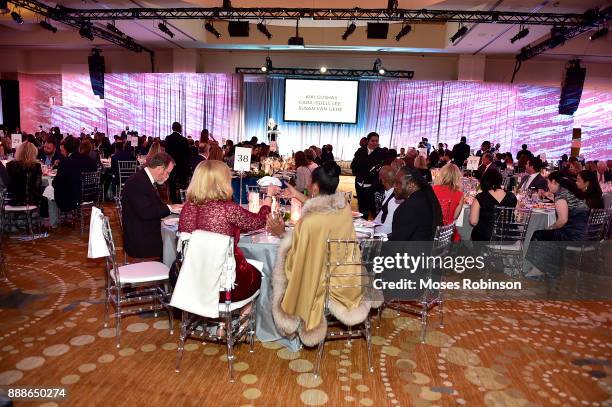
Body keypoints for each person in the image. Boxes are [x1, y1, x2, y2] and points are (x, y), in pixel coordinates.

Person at [268, 161, 375, 346]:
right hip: (350, 278)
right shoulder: (344, 209)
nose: (308, 186)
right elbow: (322, 211)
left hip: (327, 283)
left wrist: (281, 234)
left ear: (315, 188)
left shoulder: (310, 222)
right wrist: (297, 195)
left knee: (274, 272)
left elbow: (298, 260)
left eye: (310, 183)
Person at [179, 160, 269, 302]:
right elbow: (259, 222)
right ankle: (239, 322)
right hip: (225, 285)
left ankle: (222, 322)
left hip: (193, 281)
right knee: (260, 273)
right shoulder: (227, 208)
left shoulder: (187, 208)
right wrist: (268, 200)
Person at [525, 171, 589, 279]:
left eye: (548, 183)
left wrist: (550, 227)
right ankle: (548, 268)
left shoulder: (561, 196)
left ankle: (540, 269)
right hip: (586, 235)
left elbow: (562, 220)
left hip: (574, 237)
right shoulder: (572, 192)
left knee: (539, 234)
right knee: (548, 235)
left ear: (554, 182)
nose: (547, 186)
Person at [122, 152, 180, 260]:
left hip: (144, 230)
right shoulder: (138, 182)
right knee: (178, 246)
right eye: (167, 173)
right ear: (159, 168)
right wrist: (170, 208)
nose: (168, 177)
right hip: (141, 239)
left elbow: (152, 206)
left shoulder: (144, 178)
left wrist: (171, 207)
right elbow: (146, 213)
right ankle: (170, 273)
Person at [390, 167, 442, 241]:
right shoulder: (425, 198)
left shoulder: (409, 208)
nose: (394, 186)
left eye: (398, 183)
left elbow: (397, 243)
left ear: (411, 185)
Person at [469, 169, 517, 242]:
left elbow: (473, 221)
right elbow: (519, 217)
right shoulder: (512, 196)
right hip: (508, 238)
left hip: (485, 238)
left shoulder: (481, 197)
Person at [52, 136, 97, 212]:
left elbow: (57, 182)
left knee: (49, 193)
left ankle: (54, 222)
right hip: (90, 195)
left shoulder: (65, 162)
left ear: (66, 148)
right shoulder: (91, 161)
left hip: (73, 198)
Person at [351, 132, 385, 219]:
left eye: (376, 141)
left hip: (373, 186)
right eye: (372, 141)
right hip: (359, 184)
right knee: (362, 209)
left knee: (374, 210)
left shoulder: (381, 152)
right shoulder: (360, 151)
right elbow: (354, 165)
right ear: (367, 141)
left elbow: (380, 169)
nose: (375, 143)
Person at [432, 163, 465, 242]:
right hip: (447, 235)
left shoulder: (432, 189)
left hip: (431, 232)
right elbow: (455, 217)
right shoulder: (460, 194)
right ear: (457, 177)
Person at [6, 142, 42, 206]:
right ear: (33, 153)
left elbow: (8, 184)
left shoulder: (10, 165)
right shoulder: (36, 166)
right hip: (31, 200)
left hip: (12, 200)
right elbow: (37, 186)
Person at [164, 122, 190, 204]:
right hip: (182, 166)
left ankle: (173, 201)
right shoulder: (184, 140)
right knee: (182, 185)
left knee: (172, 184)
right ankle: (182, 201)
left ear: (172, 128)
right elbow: (187, 154)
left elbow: (166, 152)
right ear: (180, 129)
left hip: (171, 165)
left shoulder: (168, 138)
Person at [373, 165, 400, 235]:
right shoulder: (390, 193)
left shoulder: (395, 198)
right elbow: (380, 216)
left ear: (382, 180)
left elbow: (387, 228)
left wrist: (373, 233)